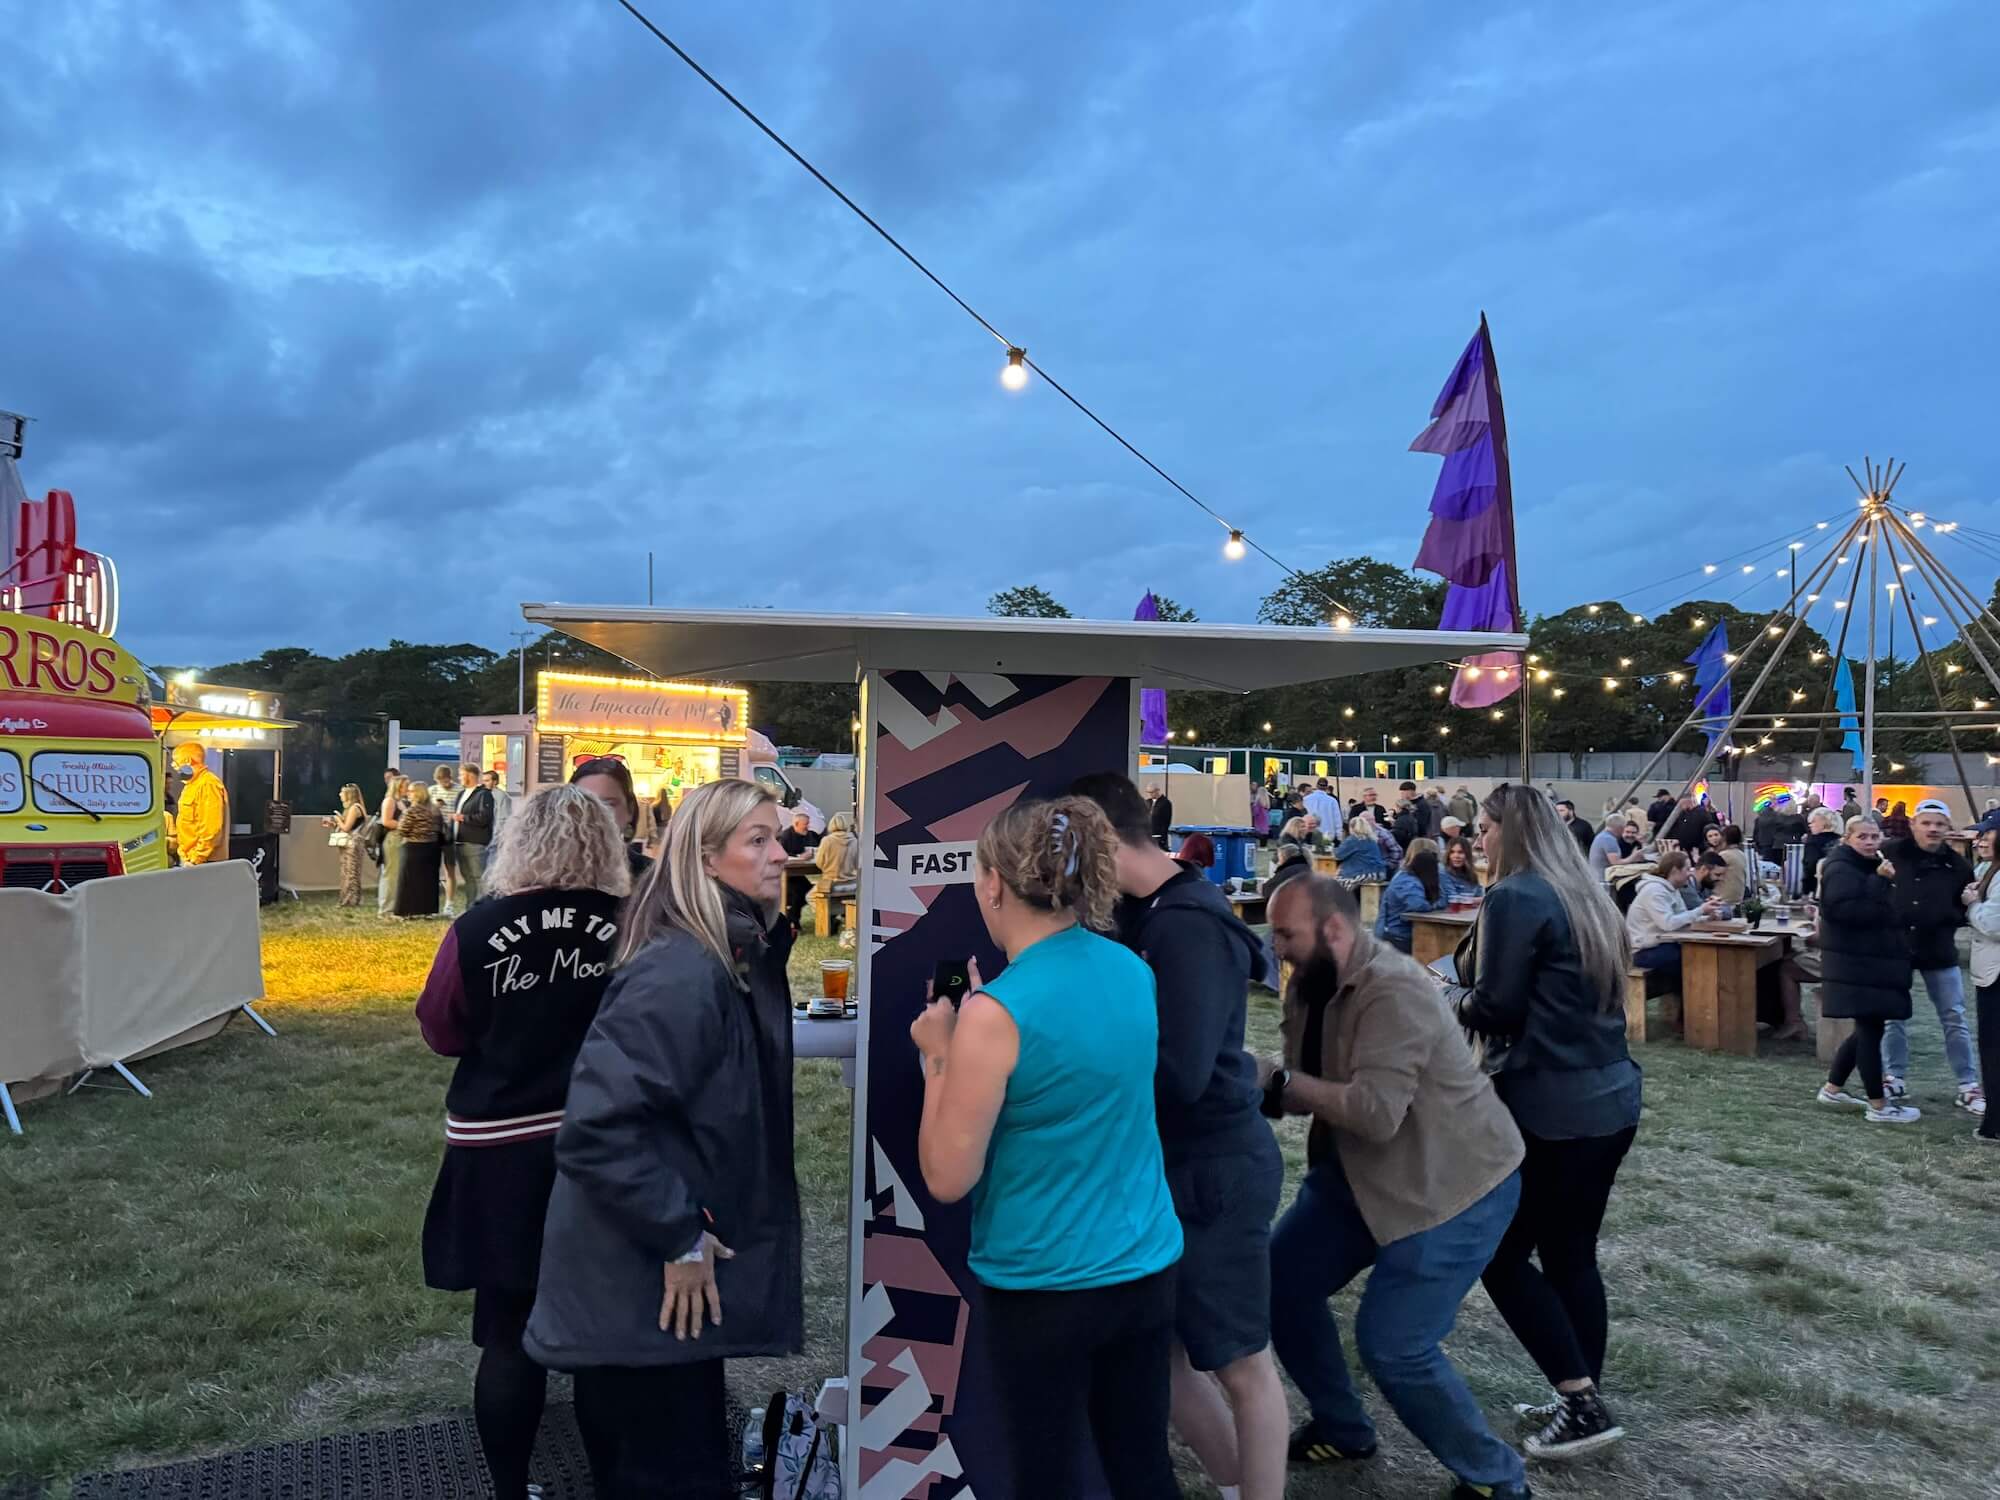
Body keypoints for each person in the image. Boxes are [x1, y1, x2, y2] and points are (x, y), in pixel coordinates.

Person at [524, 781, 799, 1499]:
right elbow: (597, 1129)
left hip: (657, 1291)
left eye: (780, 837)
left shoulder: (726, 955)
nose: (781, 855)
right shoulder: (682, 971)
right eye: (759, 841)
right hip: (639, 1281)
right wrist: (679, 1234)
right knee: (668, 1473)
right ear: (706, 860)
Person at [909, 797, 1185, 1499]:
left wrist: (940, 1059)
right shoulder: (1131, 969)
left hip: (1045, 1285)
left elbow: (946, 1175)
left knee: (1046, 1476)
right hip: (1144, 1265)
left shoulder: (993, 1015)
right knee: (1141, 1466)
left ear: (994, 884)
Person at [1261, 876, 1528, 1499]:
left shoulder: (1394, 988)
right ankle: (1343, 1427)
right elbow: (1304, 1086)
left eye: (1286, 934)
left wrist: (1275, 1083)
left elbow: (1375, 1111)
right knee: (1278, 1284)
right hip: (1357, 1176)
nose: (1277, 948)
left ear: (1333, 929)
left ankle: (1498, 1482)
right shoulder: (1311, 982)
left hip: (1451, 1187)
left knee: (1395, 1344)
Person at [1070, 773, 1287, 1500]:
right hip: (1175, 1165)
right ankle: (1233, 1483)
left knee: (1241, 1365)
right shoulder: (1152, 910)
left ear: (1101, 841)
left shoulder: (1186, 923)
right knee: (1162, 1357)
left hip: (1214, 1167)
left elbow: (1181, 1072)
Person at [417, 786, 632, 1500]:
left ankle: (512, 1491)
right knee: (603, 1336)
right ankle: (610, 1484)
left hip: (498, 1145)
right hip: (603, 1142)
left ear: (519, 842)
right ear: (602, 844)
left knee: (509, 1331)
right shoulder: (632, 923)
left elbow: (442, 1029)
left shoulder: (479, 927)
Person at [1453, 784, 1641, 1460]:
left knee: (1500, 1254)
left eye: (1485, 824)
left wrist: (1445, 994)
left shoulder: (1516, 896)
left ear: (1514, 829)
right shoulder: (1588, 895)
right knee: (1570, 1253)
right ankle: (1582, 1392)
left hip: (1548, 1105)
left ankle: (1581, 1400)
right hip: (1611, 1098)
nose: (1479, 836)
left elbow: (1498, 1007)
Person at [1814, 816, 1921, 1123]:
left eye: (1875, 836)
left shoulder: (1866, 864)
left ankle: (1833, 1089)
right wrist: (1881, 880)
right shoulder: (1840, 868)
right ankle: (1878, 1105)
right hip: (1855, 961)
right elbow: (1845, 911)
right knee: (1869, 1031)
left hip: (1869, 960)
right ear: (1847, 838)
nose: (1871, 842)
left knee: (1868, 1028)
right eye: (1863, 836)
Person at [1880, 800, 1983, 1114]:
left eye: (1939, 824)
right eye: (1926, 823)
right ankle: (1892, 1076)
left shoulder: (1958, 865)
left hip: (1938, 949)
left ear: (1947, 828)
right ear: (1914, 825)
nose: (1933, 829)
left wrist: (1953, 912)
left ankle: (1967, 1084)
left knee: (1954, 1017)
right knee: (1893, 1017)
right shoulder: (1890, 853)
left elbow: (1966, 906)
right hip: (1896, 946)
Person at [1961, 827, 2000, 1146]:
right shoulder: (1988, 868)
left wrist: (1973, 904)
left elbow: (1993, 924)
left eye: (1989, 836)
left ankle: (1995, 1124)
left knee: (1994, 1047)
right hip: (1990, 968)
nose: (1982, 841)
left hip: (1997, 970)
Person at [1625, 852, 1720, 972]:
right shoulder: (1654, 891)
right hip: (1643, 951)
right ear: (1675, 870)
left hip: (1662, 945)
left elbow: (1683, 919)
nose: (1690, 874)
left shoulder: (1672, 889)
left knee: (1699, 951)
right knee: (1690, 956)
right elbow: (1668, 923)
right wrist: (1701, 910)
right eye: (1687, 869)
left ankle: (1695, 989)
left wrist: (1707, 918)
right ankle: (1691, 990)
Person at [570, 758, 650, 884]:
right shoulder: (544, 876)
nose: (595, 813)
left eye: (607, 804)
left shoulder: (652, 878)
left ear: (630, 810)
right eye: (583, 803)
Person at [1375, 839, 1446, 953]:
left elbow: (1443, 899)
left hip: (1409, 933)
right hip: (1398, 936)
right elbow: (1418, 905)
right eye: (1435, 858)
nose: (1439, 864)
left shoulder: (1420, 877)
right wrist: (1434, 905)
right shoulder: (1406, 880)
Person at [389, 782, 443, 918]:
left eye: (411, 791)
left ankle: (407, 911)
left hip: (413, 848)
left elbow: (403, 829)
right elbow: (438, 828)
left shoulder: (412, 811)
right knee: (428, 881)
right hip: (430, 848)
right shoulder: (434, 810)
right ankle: (428, 911)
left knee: (409, 880)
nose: (408, 793)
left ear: (418, 793)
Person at [171, 744, 229, 866]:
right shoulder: (192, 785)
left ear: (187, 761)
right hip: (191, 859)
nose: (173, 765)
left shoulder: (208, 784)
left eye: (175, 761)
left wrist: (197, 858)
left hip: (202, 862)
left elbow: (211, 829)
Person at [451, 763, 496, 907]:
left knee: (479, 877)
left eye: (461, 774)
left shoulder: (484, 794)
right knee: (467, 878)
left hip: (475, 842)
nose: (459, 778)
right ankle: (470, 907)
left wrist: (463, 818)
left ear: (470, 775)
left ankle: (484, 908)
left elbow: (485, 817)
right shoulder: (461, 794)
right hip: (460, 841)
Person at [809, 811, 859, 931]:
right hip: (852, 882)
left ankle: (830, 916)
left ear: (832, 825)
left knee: (810, 897)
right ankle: (843, 913)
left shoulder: (827, 841)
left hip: (832, 881)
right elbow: (858, 863)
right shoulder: (854, 841)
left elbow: (819, 862)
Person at [321, 783, 369, 906]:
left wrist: (337, 820)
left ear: (349, 794)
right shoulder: (351, 808)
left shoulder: (354, 808)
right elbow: (348, 825)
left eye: (342, 792)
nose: (340, 794)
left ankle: (351, 900)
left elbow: (346, 827)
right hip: (349, 843)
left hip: (352, 844)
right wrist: (334, 824)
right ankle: (347, 898)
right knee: (346, 871)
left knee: (351, 872)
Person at [435, 765, 464, 915]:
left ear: (450, 778)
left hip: (450, 834)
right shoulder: (432, 791)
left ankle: (449, 903)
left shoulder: (459, 791)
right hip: (435, 834)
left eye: (445, 781)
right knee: (433, 869)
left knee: (449, 870)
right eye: (440, 781)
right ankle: (433, 903)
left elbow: (462, 811)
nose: (443, 784)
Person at [1752, 794, 1808, 865]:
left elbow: (1763, 824)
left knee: (1775, 868)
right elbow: (1805, 832)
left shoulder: (1777, 817)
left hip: (1776, 845)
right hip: (1793, 846)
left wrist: (1772, 806)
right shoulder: (1799, 819)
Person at [380, 772, 408, 915]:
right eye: (405, 786)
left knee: (397, 875)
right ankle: (386, 909)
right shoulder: (389, 801)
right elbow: (386, 821)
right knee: (391, 874)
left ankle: (396, 907)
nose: (408, 788)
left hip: (401, 839)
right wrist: (405, 825)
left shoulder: (400, 801)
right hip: (393, 839)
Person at [1332, 816, 1388, 880]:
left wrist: (1331, 849)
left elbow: (1338, 854)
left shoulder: (1353, 839)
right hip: (1379, 873)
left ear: (1352, 828)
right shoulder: (1372, 839)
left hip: (1362, 873)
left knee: (1334, 882)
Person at [1802, 806, 1841, 896]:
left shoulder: (1813, 842)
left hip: (1817, 887)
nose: (1810, 825)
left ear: (1824, 823)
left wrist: (1805, 891)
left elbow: (1810, 866)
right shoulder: (1840, 840)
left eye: (1813, 822)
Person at [1441, 836, 1483, 904]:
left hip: (1471, 913)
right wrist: (1477, 900)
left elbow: (1480, 894)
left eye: (1460, 852)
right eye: (1452, 852)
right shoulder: (1443, 873)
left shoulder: (1472, 874)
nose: (1456, 856)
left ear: (1467, 854)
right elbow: (1453, 899)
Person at [484, 770, 512, 838]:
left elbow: (503, 818)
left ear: (495, 782)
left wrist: (496, 834)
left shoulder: (501, 795)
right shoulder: (484, 794)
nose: (484, 783)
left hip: (496, 833)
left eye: (487, 781)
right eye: (483, 781)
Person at [1148, 783, 1175, 849]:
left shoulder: (1165, 803)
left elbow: (1166, 822)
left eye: (1152, 792)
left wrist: (1162, 837)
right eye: (1149, 792)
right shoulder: (1148, 802)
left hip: (1159, 836)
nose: (1150, 794)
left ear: (1157, 791)